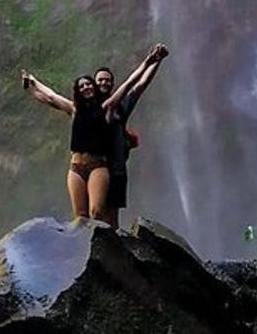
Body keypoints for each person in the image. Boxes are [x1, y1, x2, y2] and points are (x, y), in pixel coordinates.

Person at [21, 44, 168, 222]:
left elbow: (133, 84)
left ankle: (111, 245)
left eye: (104, 81)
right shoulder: (75, 109)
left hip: (108, 166)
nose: (89, 87)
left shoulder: (112, 107)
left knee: (102, 214)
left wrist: (152, 62)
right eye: (85, 85)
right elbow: (50, 97)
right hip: (78, 167)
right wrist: (32, 83)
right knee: (82, 217)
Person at [94, 43, 167, 227]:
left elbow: (141, 85)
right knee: (94, 213)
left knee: (112, 216)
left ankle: (113, 252)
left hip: (117, 168)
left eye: (107, 80)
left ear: (112, 84)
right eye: (100, 80)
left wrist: (157, 61)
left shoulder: (120, 108)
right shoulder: (87, 108)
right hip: (95, 168)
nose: (103, 82)